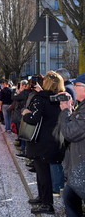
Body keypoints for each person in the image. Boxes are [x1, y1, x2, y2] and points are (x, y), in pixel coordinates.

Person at [22, 71, 66, 215]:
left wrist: (26, 113)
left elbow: (33, 119)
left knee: (43, 173)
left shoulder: (40, 98)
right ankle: (42, 198)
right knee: (43, 172)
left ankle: (47, 203)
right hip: (56, 139)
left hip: (41, 141)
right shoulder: (63, 98)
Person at [59, 73, 85, 217]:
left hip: (82, 166)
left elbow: (70, 132)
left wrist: (65, 111)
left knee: (70, 199)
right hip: (79, 165)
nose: (73, 88)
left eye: (77, 85)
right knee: (70, 198)